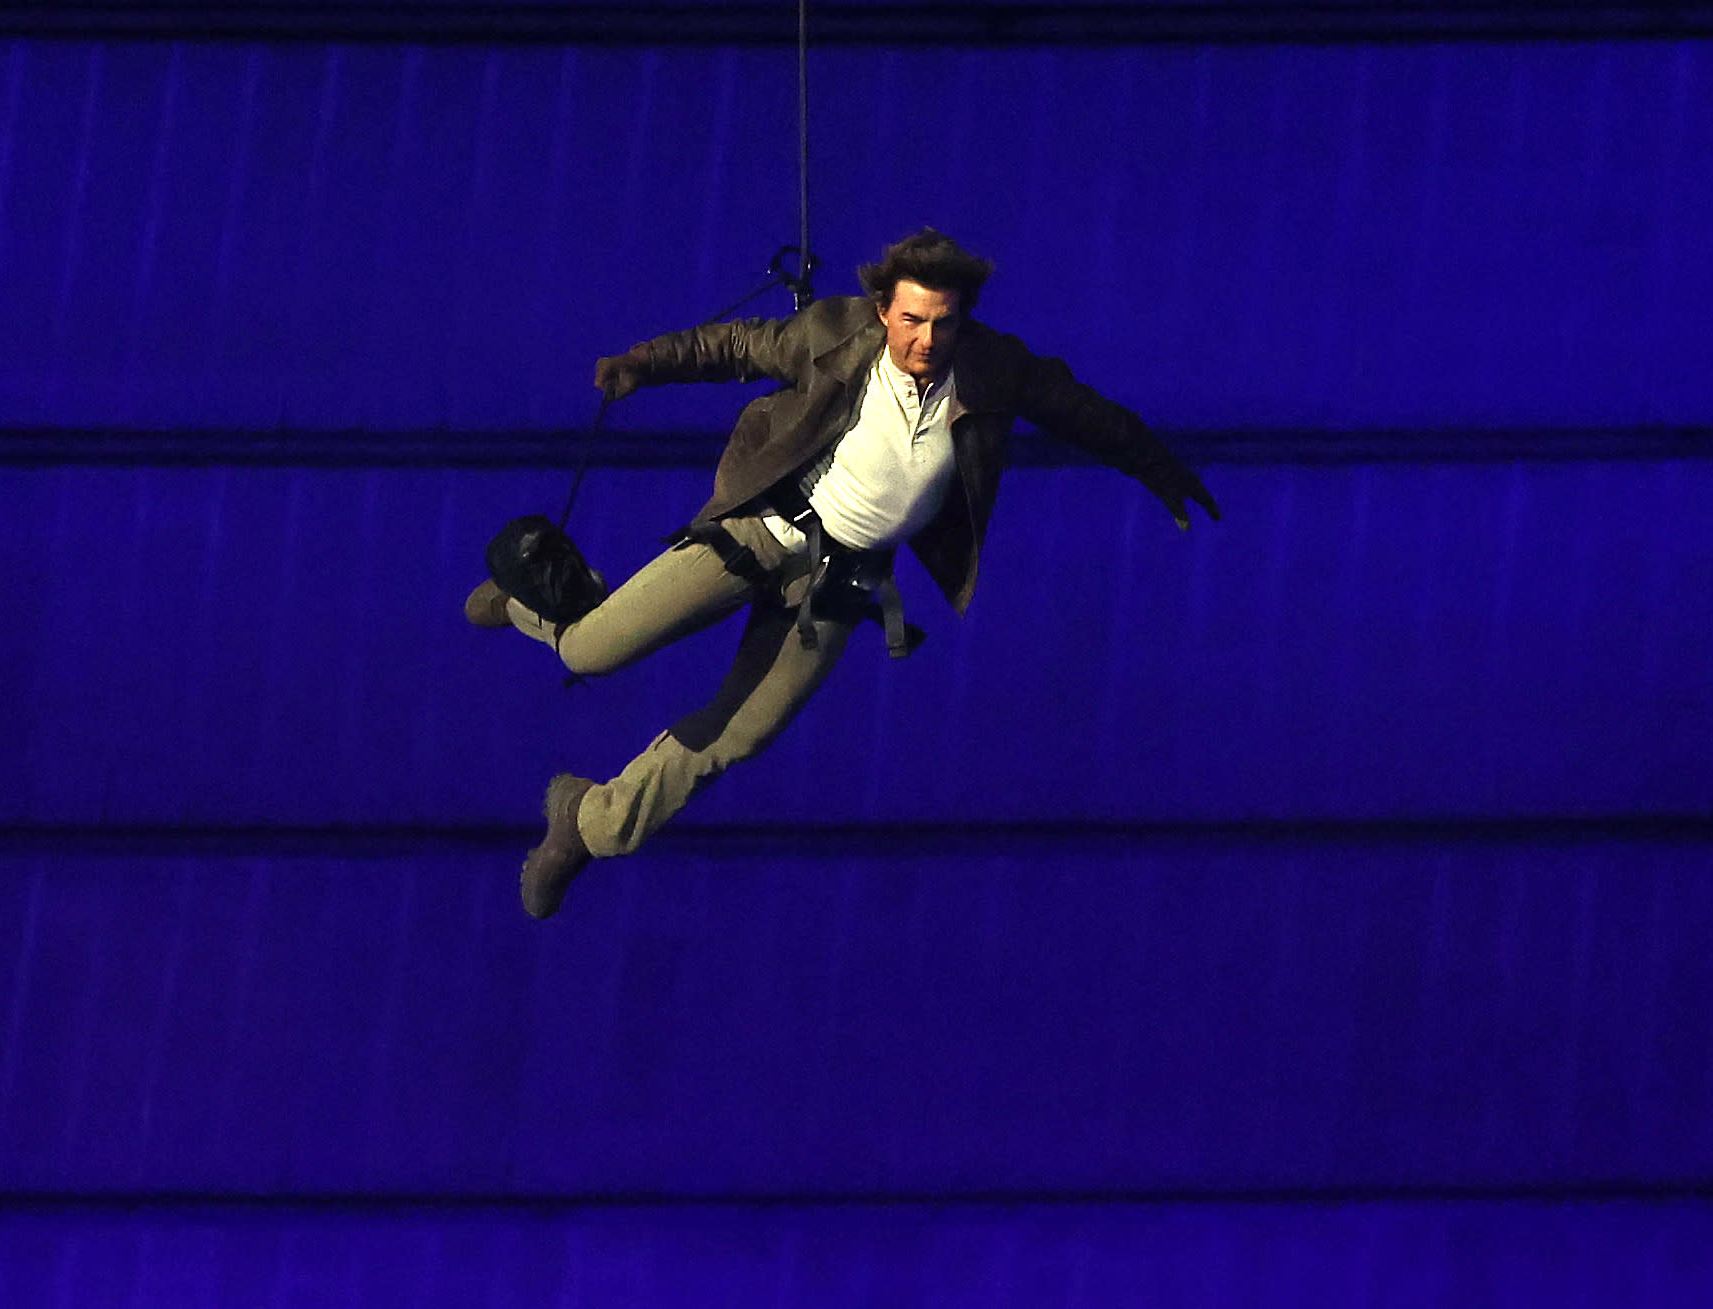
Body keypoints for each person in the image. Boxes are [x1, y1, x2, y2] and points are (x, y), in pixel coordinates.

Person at [466, 228, 1219, 918]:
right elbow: (733, 345)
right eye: (911, 320)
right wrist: (642, 363)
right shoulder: (835, 332)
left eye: (943, 323)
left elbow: (1084, 411)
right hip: (762, 531)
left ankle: (587, 822)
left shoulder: (993, 367)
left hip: (839, 580)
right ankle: (524, 606)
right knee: (589, 650)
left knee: (743, 730)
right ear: (884, 310)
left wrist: (1158, 470)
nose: (926, 340)